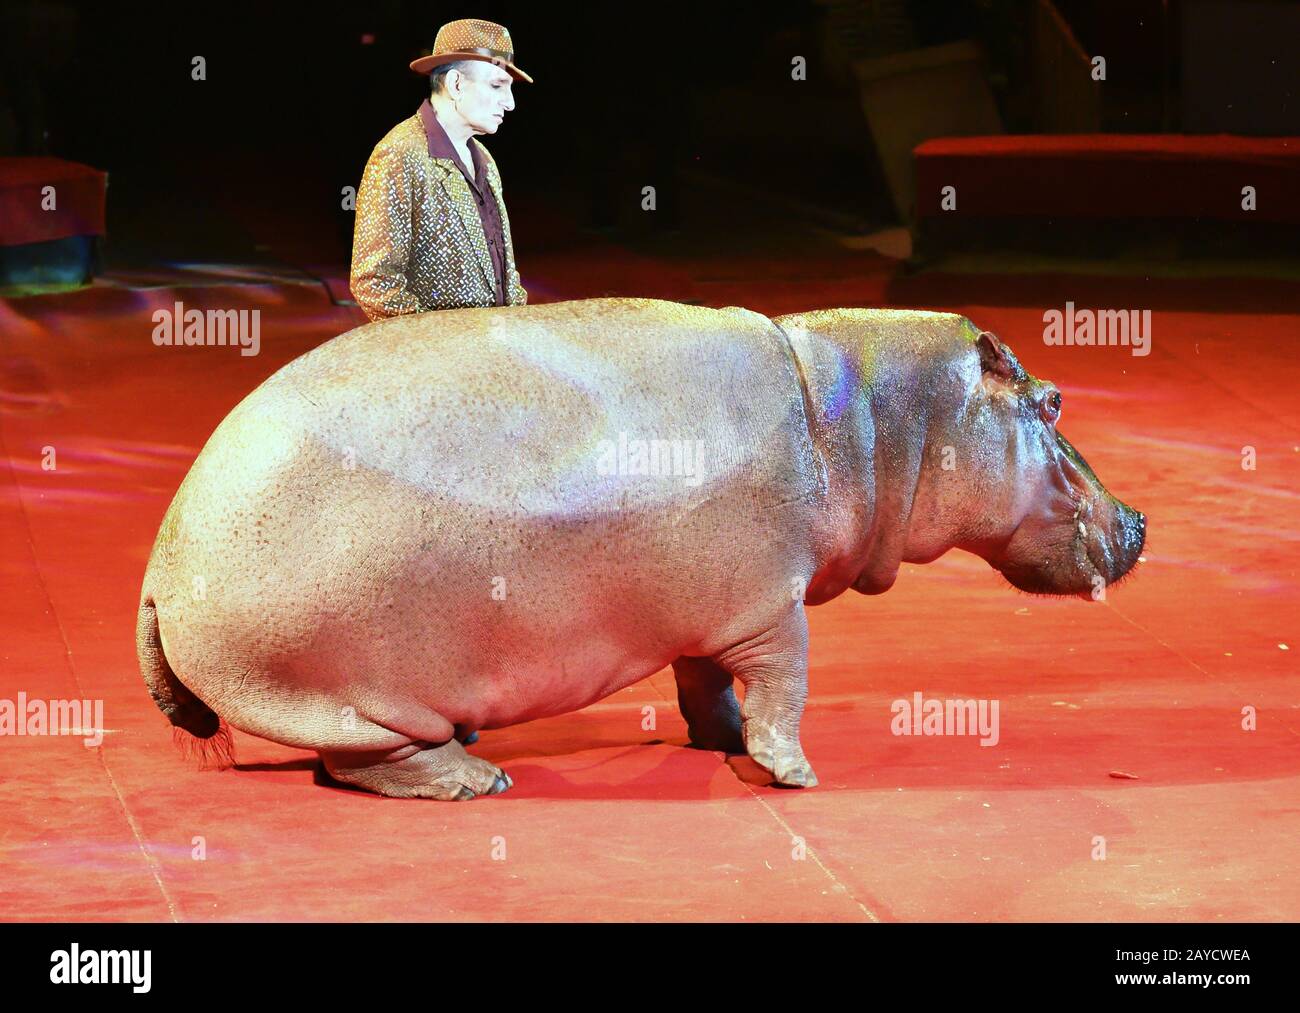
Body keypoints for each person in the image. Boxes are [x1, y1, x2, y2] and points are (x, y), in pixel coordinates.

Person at [350, 18, 531, 321]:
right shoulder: (399, 154)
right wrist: (443, 345)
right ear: (456, 84)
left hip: (494, 353)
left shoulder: (484, 160)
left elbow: (504, 272)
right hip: (439, 362)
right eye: (498, 85)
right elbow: (374, 282)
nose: (510, 103)